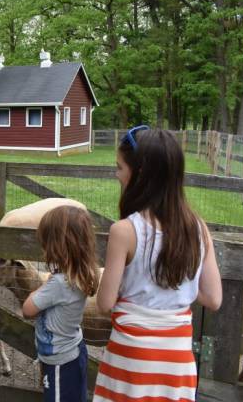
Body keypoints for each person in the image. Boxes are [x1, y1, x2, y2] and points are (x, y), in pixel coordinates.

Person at [93, 126, 222, 401]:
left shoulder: (124, 231)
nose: (117, 175)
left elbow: (104, 303)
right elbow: (213, 298)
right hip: (176, 363)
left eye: (119, 168)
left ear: (140, 175)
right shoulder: (199, 229)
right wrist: (180, 279)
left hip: (131, 360)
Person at [22, 205, 100, 402]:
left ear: (58, 245)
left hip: (59, 361)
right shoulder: (80, 274)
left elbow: (28, 309)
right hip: (74, 351)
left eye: (46, 243)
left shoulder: (59, 283)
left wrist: (40, 288)